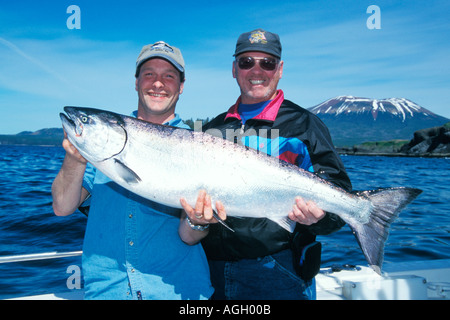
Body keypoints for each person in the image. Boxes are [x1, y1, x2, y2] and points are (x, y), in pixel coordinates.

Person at [180, 29, 352, 300]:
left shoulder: (304, 125)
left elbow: (337, 196)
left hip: (278, 272)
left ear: (280, 69)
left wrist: (318, 218)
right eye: (247, 62)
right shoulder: (213, 129)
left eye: (267, 63)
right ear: (234, 69)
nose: (256, 70)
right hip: (211, 272)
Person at [52, 41, 216, 300]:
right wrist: (76, 157)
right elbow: (62, 207)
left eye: (169, 76)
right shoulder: (103, 143)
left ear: (181, 86)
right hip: (107, 290)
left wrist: (198, 222)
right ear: (136, 82)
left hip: (177, 291)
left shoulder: (203, 148)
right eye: (149, 74)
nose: (158, 83)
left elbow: (189, 238)